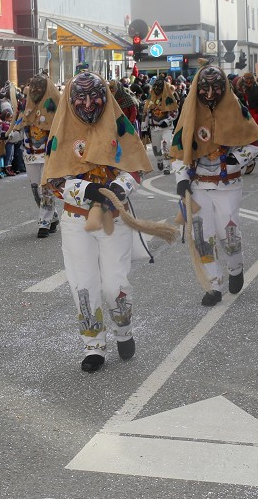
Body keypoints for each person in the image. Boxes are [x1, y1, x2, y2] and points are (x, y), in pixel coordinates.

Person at [41, 71, 151, 372]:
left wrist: (120, 186)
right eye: (81, 97)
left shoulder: (118, 126)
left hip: (113, 218)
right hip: (77, 220)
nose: (89, 104)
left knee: (115, 283)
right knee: (83, 285)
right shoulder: (62, 129)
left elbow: (136, 166)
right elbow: (53, 179)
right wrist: (84, 189)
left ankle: (123, 330)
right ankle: (93, 346)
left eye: (94, 96)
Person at [171, 65, 258, 305]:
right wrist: (181, 179)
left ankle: (236, 267)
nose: (210, 94)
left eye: (216, 88)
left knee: (229, 235)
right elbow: (177, 152)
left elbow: (257, 142)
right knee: (202, 237)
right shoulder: (188, 112)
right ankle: (212, 285)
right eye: (205, 88)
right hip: (199, 186)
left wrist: (236, 159)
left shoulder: (236, 109)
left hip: (228, 186)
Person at [15, 74, 61, 238]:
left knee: (46, 188)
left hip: (49, 156)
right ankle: (53, 216)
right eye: (33, 87)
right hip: (30, 155)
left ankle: (44, 224)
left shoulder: (55, 108)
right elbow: (18, 127)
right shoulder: (25, 107)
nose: (36, 91)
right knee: (36, 192)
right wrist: (9, 136)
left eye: (40, 88)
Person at [144, 75, 179, 173]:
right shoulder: (151, 99)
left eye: (159, 88)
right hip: (154, 128)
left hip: (166, 128)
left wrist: (167, 121)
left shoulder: (169, 98)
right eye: (155, 88)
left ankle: (167, 167)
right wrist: (145, 126)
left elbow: (175, 112)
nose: (157, 90)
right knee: (156, 148)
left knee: (166, 146)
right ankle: (159, 160)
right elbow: (146, 112)